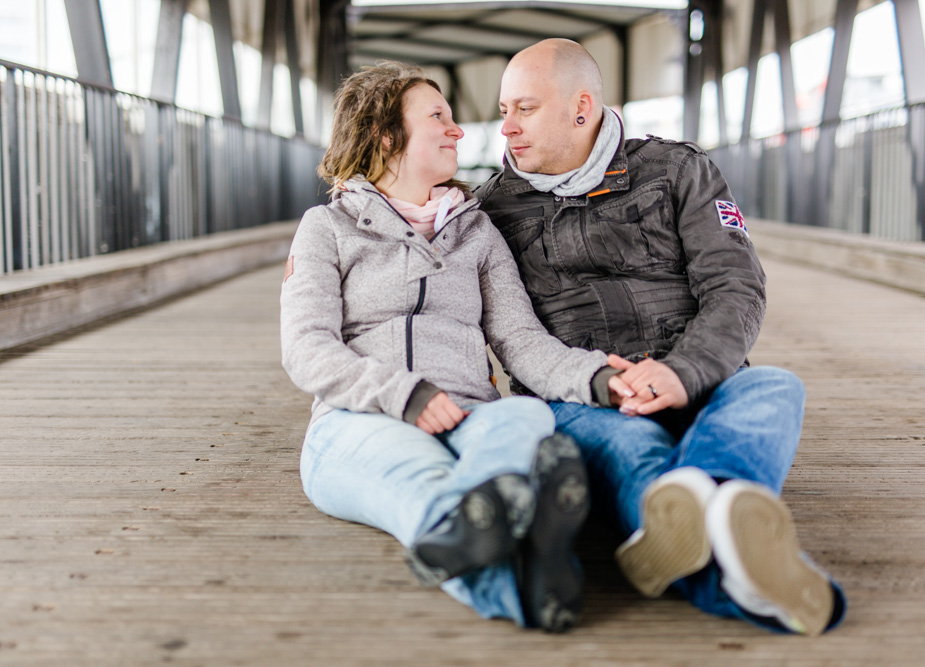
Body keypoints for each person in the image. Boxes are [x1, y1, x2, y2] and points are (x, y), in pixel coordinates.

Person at [475, 39, 847, 636]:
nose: (507, 128)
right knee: (630, 451)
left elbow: (736, 288)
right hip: (583, 400)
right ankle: (745, 556)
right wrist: (321, 247)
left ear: (580, 107)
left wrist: (683, 372)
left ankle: (708, 509)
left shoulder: (677, 171)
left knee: (774, 388)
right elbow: (415, 257)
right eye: (503, 111)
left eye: (525, 108)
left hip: (699, 378)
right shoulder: (490, 209)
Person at [279, 61, 644, 633]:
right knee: (426, 480)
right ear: (386, 136)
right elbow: (306, 346)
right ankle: (527, 578)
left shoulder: (476, 231)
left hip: (469, 416)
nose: (457, 131)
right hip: (358, 421)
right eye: (438, 118)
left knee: (522, 415)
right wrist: (406, 395)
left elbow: (520, 341)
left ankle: (496, 513)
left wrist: (597, 376)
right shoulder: (327, 227)